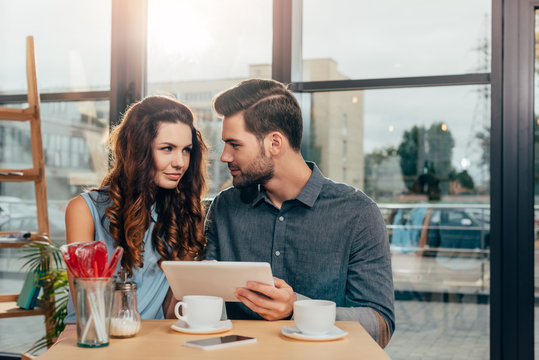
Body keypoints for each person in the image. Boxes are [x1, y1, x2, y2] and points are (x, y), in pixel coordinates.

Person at [204, 79, 395, 347]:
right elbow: (201, 295)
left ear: (274, 143)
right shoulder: (225, 207)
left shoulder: (358, 213)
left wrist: (297, 308)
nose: (224, 156)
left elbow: (380, 325)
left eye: (234, 145)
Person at [63, 95, 208, 325]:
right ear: (138, 150)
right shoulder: (83, 210)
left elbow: (172, 313)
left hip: (154, 342)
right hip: (93, 340)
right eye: (167, 148)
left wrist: (195, 279)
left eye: (186, 150)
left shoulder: (186, 215)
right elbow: (89, 307)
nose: (180, 162)